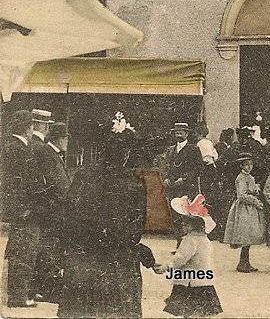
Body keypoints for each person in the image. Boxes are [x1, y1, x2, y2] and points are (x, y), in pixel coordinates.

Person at [58, 112, 157, 319]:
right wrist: (141, 251)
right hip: (118, 266)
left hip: (83, 264)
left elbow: (67, 216)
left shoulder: (84, 175)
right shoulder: (134, 184)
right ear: (127, 153)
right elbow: (133, 232)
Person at [2, 109, 45, 308]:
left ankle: (16, 294)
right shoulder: (22, 149)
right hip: (26, 211)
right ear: (28, 128)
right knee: (25, 252)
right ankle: (19, 297)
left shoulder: (8, 147)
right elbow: (30, 183)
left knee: (17, 251)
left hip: (16, 210)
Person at [156, 194, 223, 318]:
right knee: (200, 312)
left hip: (189, 283)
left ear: (193, 226)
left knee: (188, 310)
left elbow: (180, 258)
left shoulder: (190, 240)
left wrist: (167, 266)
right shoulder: (205, 240)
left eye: (185, 223)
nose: (182, 225)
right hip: (204, 281)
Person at [33, 121, 72, 303]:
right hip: (52, 210)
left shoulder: (53, 154)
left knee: (53, 250)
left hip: (56, 210)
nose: (66, 142)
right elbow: (55, 183)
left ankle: (47, 287)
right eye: (65, 138)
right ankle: (44, 288)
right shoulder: (47, 154)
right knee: (49, 250)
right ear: (58, 138)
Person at [159, 122, 205, 242]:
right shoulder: (170, 150)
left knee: (186, 215)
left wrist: (184, 179)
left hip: (186, 188)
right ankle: (179, 243)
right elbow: (164, 167)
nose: (178, 134)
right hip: (172, 188)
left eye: (181, 132)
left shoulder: (194, 149)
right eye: (176, 132)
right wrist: (165, 178)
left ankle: (187, 244)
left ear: (187, 133)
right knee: (175, 216)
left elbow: (199, 168)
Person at [223, 154, 264, 272]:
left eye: (251, 164)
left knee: (249, 236)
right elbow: (241, 195)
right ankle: (242, 263)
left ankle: (246, 262)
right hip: (244, 209)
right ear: (241, 165)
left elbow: (250, 190)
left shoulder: (250, 177)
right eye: (246, 164)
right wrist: (255, 201)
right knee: (245, 235)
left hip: (250, 209)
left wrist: (255, 189)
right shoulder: (241, 178)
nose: (249, 167)